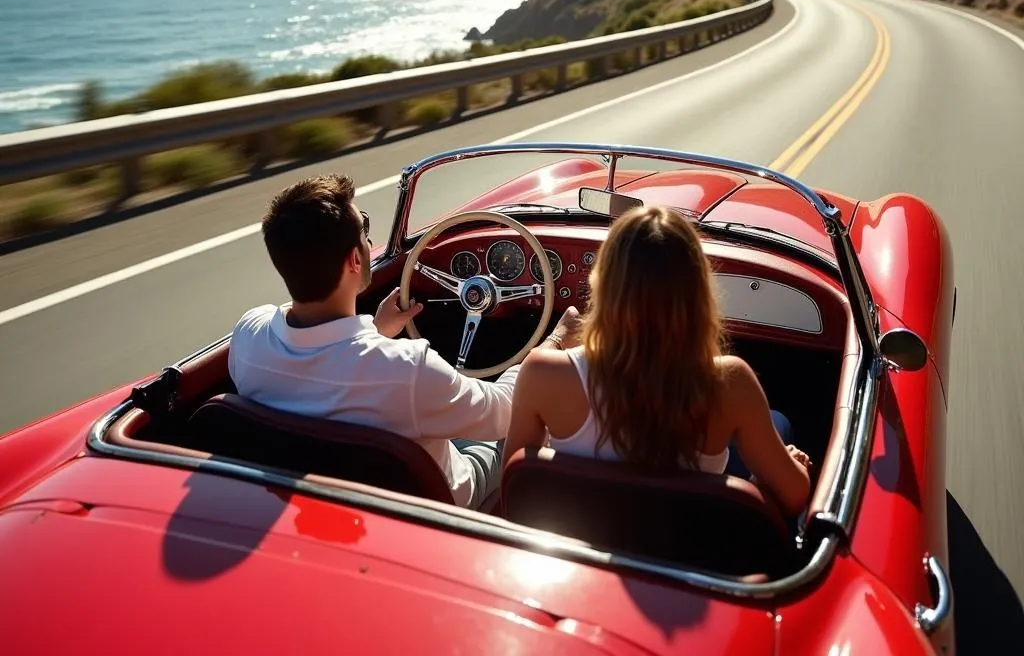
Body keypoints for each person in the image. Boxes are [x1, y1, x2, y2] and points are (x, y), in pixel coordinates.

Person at [228, 172, 580, 510]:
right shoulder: (407, 370)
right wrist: (555, 342)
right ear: (354, 259)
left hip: (324, 490)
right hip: (437, 502)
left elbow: (327, 364)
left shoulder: (248, 336)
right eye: (364, 228)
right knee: (516, 429)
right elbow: (505, 411)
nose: (369, 240)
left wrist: (375, 331)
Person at [503, 204, 812, 518]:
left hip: (578, 552)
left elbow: (514, 486)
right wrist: (764, 481)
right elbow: (793, 497)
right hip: (684, 557)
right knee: (779, 422)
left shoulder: (541, 373)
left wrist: (559, 342)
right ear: (698, 294)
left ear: (603, 285)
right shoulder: (731, 383)